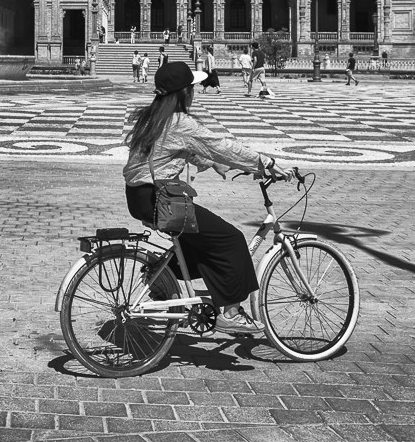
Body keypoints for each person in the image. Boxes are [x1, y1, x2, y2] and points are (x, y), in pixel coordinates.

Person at [123, 60, 291, 335]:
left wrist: (214, 163)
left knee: (200, 244)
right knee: (231, 240)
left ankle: (159, 277)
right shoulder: (180, 122)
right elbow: (220, 146)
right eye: (192, 87)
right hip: (162, 200)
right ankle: (232, 311)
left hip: (139, 198)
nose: (195, 92)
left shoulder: (154, 117)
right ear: (183, 92)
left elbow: (177, 150)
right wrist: (266, 163)